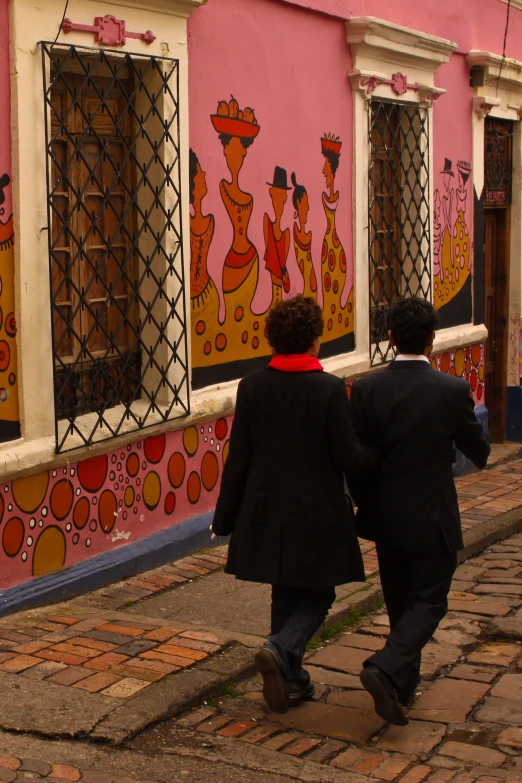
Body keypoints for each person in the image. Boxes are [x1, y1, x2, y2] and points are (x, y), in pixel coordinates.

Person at [211, 295, 378, 714]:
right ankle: (281, 648)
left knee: (283, 591)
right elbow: (348, 456)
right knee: (319, 595)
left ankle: (292, 681)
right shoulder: (327, 388)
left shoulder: (252, 386)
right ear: (315, 340)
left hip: (265, 511)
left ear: (273, 339)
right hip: (315, 513)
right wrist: (377, 458)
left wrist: (225, 516)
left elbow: (240, 456)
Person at [350, 297, 490, 726]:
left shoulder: (368, 388)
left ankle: (399, 687)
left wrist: (365, 500)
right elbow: (480, 451)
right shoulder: (451, 390)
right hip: (432, 513)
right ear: (432, 340)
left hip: (386, 516)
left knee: (400, 602)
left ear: (390, 336)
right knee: (430, 599)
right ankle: (385, 666)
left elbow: (357, 456)